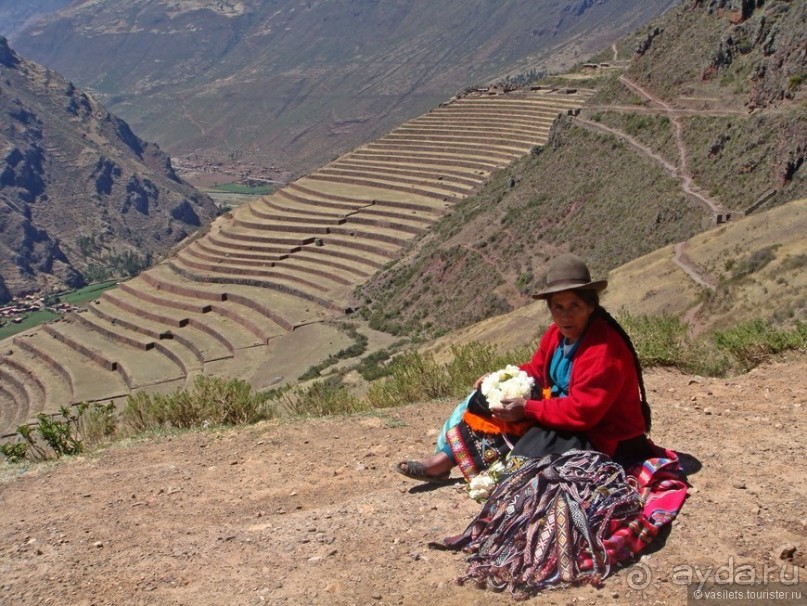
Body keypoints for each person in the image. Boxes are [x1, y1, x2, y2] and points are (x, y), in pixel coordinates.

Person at [395, 253, 653, 483]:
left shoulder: (603, 349)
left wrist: (528, 409)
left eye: (574, 306)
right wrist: (500, 380)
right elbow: (537, 369)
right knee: (485, 401)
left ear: (590, 305)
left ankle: (498, 471)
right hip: (564, 416)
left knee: (524, 466)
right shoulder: (556, 335)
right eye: (558, 307)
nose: (565, 316)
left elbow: (583, 412)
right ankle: (443, 462)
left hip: (601, 434)